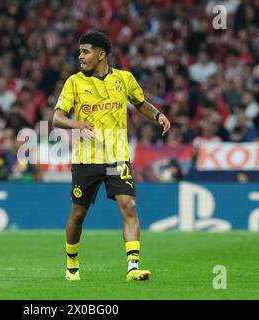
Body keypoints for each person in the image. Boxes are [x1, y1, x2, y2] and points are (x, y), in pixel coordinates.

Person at [52, 31, 171, 281]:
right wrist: (76, 125)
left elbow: (140, 103)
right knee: (78, 214)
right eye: (80, 51)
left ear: (101, 54)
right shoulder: (74, 82)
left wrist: (158, 115)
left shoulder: (124, 79)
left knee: (129, 206)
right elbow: (57, 117)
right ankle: (72, 262)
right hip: (86, 159)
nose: (80, 56)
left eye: (85, 51)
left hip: (117, 156)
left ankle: (132, 267)